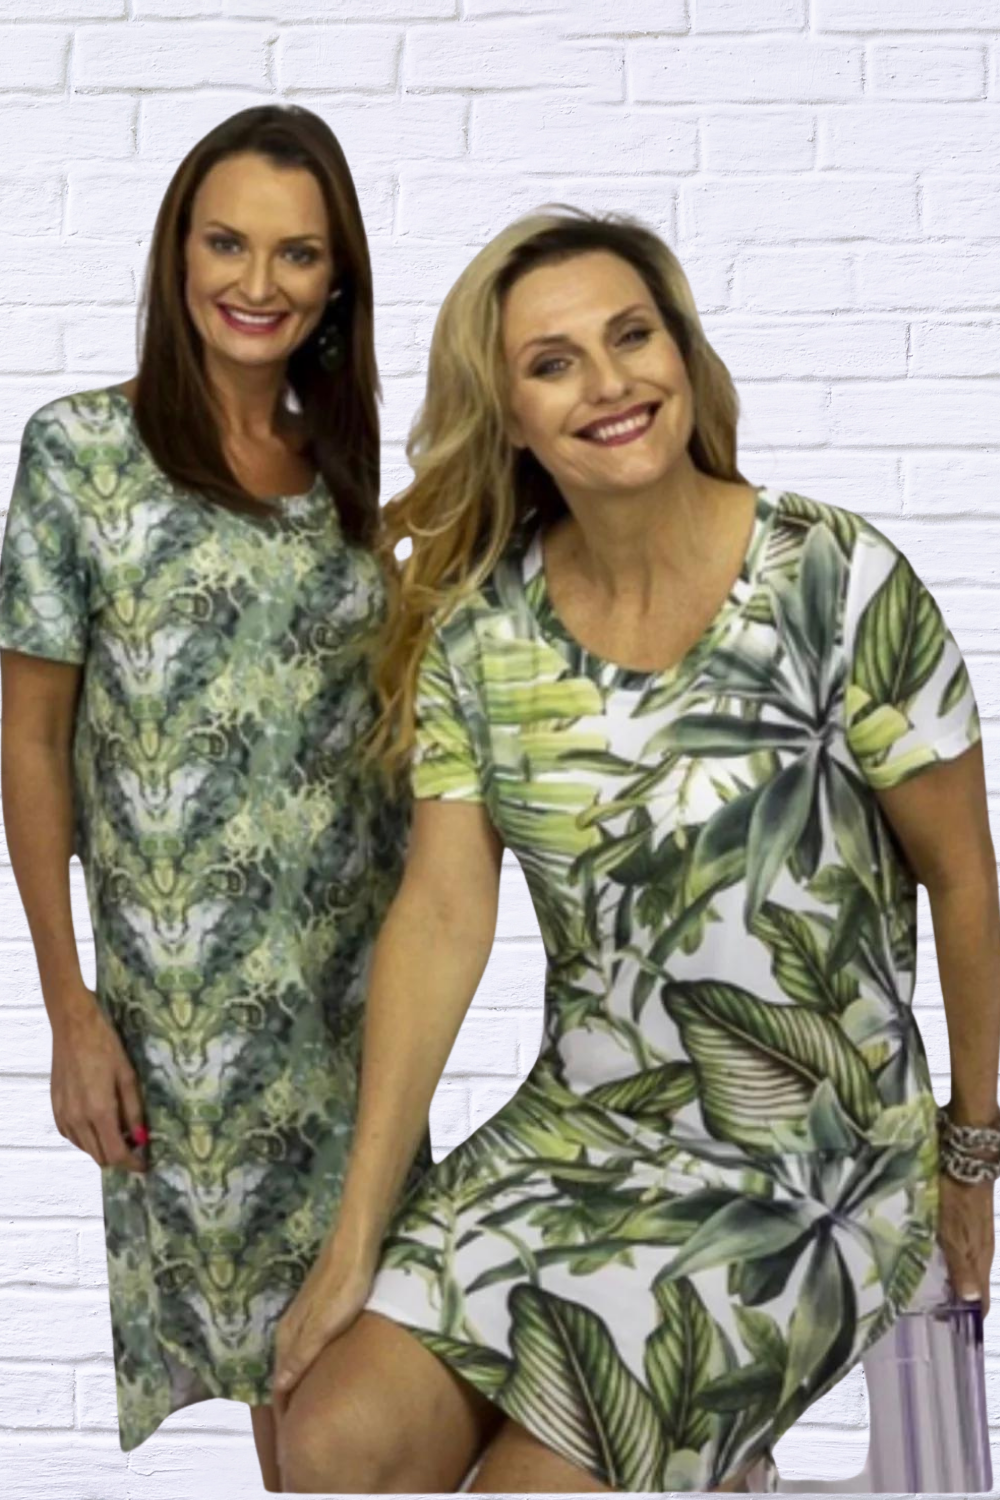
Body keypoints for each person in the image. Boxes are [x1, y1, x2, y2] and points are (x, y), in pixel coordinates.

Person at [269, 207, 999, 1494]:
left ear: (682, 352)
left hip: (811, 1165)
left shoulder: (834, 579)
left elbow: (964, 879)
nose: (608, 384)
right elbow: (440, 918)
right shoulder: (484, 635)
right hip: (582, 1134)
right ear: (507, 416)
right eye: (553, 364)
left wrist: (972, 1152)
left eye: (631, 337)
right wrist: (353, 1239)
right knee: (327, 1441)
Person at [0, 105, 427, 1491]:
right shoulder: (82, 453)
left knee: (353, 1390)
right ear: (177, 250)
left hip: (355, 1005)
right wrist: (70, 1011)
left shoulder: (347, 475)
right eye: (227, 243)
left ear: (337, 281)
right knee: (287, 1379)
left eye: (298, 254)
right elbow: (29, 740)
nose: (258, 282)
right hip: (191, 1023)